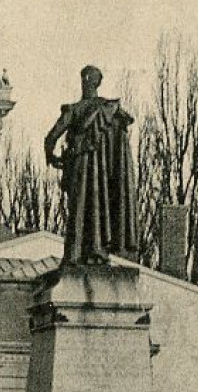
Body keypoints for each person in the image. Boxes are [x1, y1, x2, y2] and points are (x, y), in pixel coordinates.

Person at [42, 64, 139, 265]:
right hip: (102, 175)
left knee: (79, 209)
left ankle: (75, 254)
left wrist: (51, 156)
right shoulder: (110, 111)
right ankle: (98, 251)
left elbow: (51, 137)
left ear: (85, 81)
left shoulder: (76, 110)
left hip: (79, 168)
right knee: (99, 206)